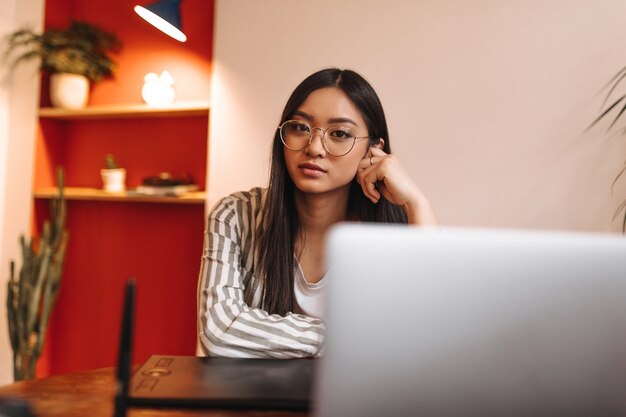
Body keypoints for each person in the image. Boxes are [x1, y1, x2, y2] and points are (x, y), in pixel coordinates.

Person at [197, 68, 437, 358]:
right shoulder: (235, 215)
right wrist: (353, 339)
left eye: (339, 133)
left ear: (373, 151)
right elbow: (219, 332)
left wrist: (417, 204)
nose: (313, 148)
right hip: (259, 400)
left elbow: (428, 335)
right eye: (300, 127)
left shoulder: (392, 232)